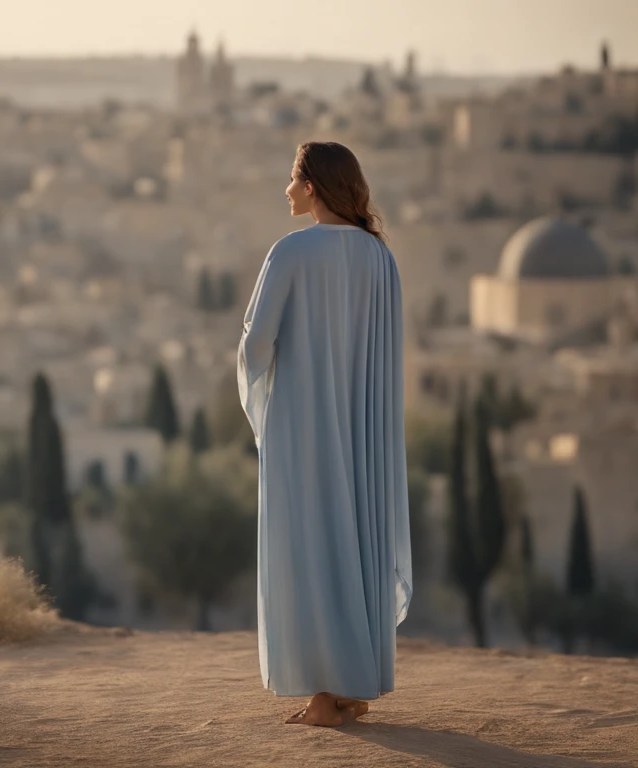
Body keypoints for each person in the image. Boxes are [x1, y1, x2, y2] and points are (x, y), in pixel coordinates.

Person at [237, 141, 412, 727]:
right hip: (363, 426)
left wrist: (261, 397)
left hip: (303, 423)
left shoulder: (291, 251)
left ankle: (322, 692)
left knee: (308, 546)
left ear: (311, 187)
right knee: (355, 543)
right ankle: (348, 686)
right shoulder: (380, 258)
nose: (285, 190)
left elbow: (256, 345)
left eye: (291, 179)